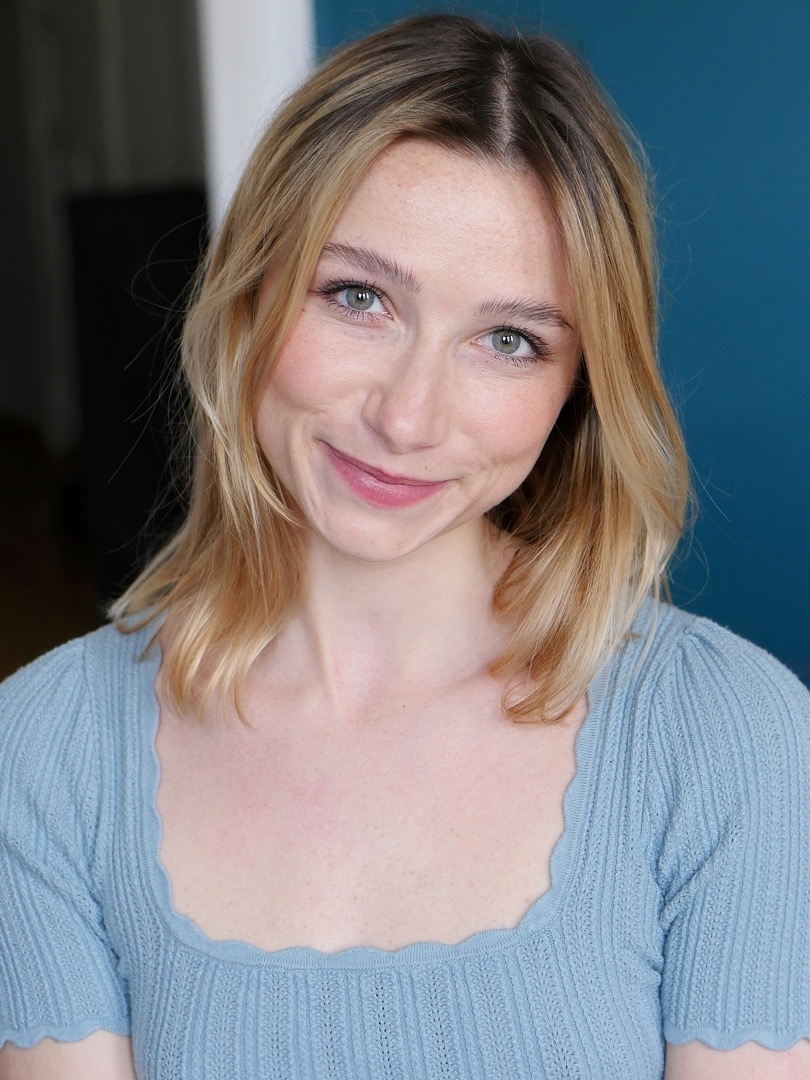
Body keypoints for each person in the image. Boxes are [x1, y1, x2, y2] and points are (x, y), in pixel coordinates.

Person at [1, 13, 808, 1079]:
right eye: (359, 297)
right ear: (251, 293)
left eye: (508, 340)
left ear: (578, 389)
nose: (410, 416)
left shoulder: (730, 736)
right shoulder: (46, 751)